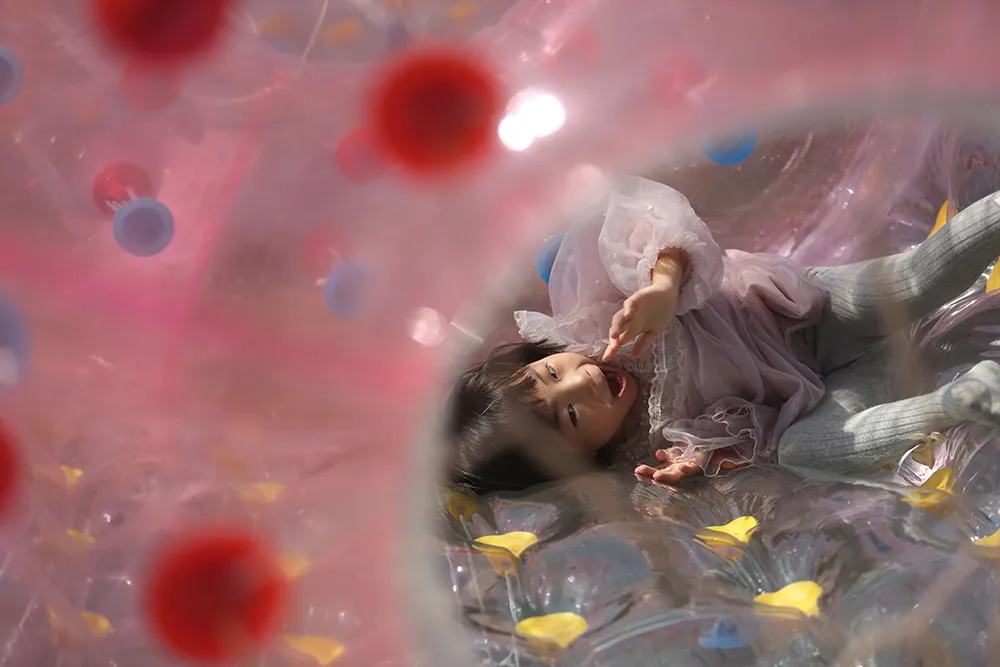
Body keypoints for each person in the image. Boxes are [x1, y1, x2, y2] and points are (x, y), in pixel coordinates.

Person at [446, 175, 1000, 493]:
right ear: (585, 454)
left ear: (540, 353)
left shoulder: (601, 313)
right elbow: (745, 435)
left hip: (803, 309)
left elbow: (653, 224)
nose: (582, 380)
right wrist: (704, 465)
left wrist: (663, 286)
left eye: (551, 371)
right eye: (571, 414)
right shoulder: (646, 450)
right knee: (805, 452)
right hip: (823, 390)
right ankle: (956, 402)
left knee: (909, 280)